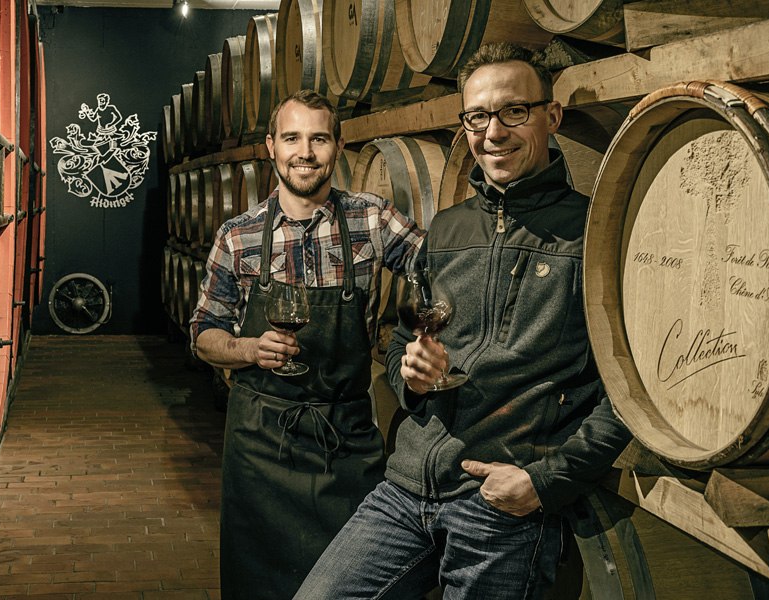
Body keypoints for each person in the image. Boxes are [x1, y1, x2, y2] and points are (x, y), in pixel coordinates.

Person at [294, 43, 632, 599]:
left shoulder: (592, 234)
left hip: (499, 505)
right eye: (477, 116)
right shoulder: (447, 230)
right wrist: (412, 374)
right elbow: (410, 336)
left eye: (512, 112)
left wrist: (544, 482)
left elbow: (628, 390)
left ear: (551, 116)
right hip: (405, 489)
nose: (493, 132)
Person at [189, 89, 425, 599]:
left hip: (344, 436)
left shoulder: (372, 219)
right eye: (292, 138)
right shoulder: (239, 235)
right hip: (260, 441)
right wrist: (249, 349)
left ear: (338, 146)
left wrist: (421, 333)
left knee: (358, 581)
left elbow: (438, 269)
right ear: (271, 146)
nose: (305, 151)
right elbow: (204, 333)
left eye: (319, 138)